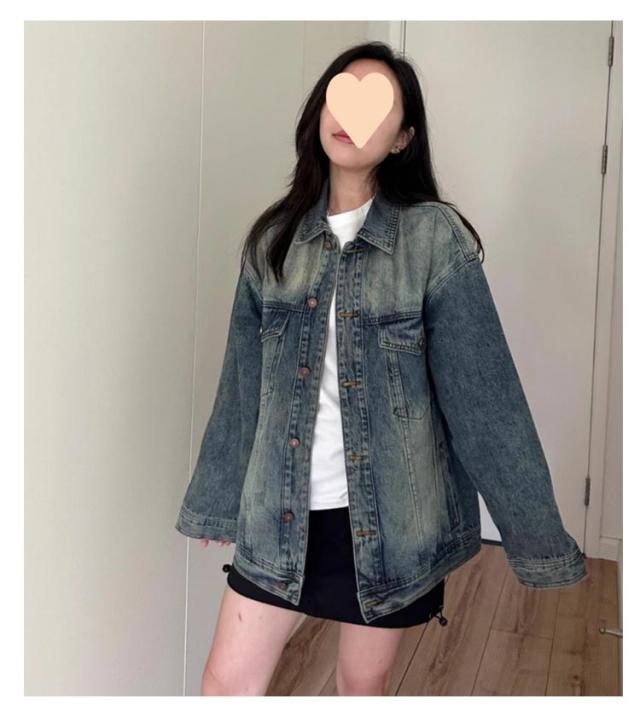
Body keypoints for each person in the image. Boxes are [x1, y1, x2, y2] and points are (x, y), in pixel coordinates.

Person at [175, 41, 586, 697]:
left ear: (402, 138)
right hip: (280, 514)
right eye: (342, 95)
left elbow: (485, 403)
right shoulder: (272, 242)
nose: (352, 115)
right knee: (224, 688)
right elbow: (242, 386)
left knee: (360, 688)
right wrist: (219, 500)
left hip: (391, 523)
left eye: (377, 104)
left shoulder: (433, 240)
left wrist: (534, 538)